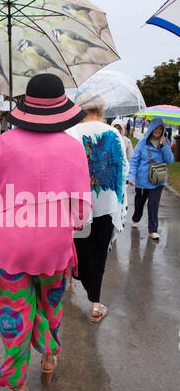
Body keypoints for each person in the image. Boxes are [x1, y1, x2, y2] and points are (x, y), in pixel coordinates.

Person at [0, 74, 91, 391]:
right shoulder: (72, 147)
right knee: (51, 306)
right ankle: (48, 358)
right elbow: (81, 211)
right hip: (54, 247)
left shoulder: (7, 143)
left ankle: (18, 387)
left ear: (26, 106)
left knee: (14, 311)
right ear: (61, 108)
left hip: (12, 245)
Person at [67, 91, 128, 322]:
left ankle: (69, 280)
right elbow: (123, 170)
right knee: (97, 253)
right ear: (101, 110)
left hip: (77, 207)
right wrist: (120, 203)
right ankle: (95, 304)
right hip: (105, 205)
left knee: (75, 246)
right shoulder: (113, 133)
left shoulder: (70, 133)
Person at [128, 118, 174, 240]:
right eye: (156, 128)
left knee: (153, 204)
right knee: (139, 203)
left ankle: (152, 230)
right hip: (142, 181)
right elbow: (134, 161)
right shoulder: (142, 143)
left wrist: (165, 146)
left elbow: (169, 160)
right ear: (151, 129)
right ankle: (136, 218)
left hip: (158, 180)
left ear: (163, 130)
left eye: (160, 129)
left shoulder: (165, 143)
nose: (158, 131)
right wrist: (131, 177)